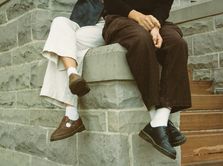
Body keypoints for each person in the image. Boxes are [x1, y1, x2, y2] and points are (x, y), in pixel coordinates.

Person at [102, 0, 192, 160]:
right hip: (121, 18)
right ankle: (155, 118)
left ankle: (160, 119)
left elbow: (164, 5)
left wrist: (155, 26)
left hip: (155, 21)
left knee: (177, 44)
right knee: (141, 39)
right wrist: (138, 17)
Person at [40, 0, 104, 142]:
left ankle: (71, 114)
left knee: (66, 45)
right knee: (59, 22)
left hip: (105, 24)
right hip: (83, 21)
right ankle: (72, 73)